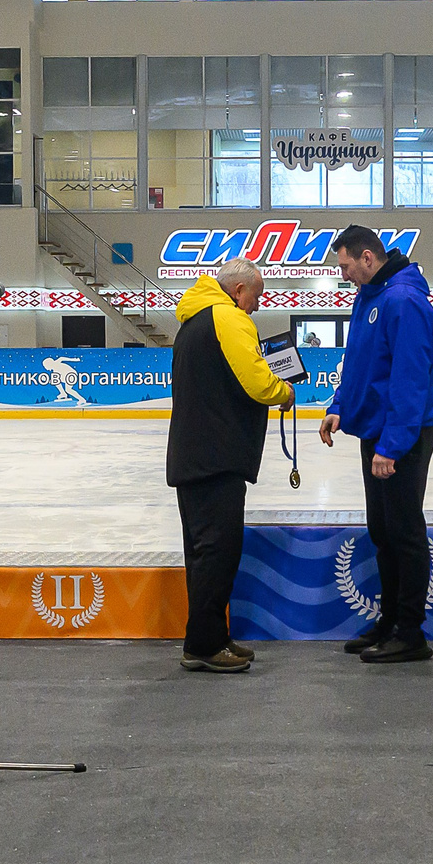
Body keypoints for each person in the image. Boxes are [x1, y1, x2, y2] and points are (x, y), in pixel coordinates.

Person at [166, 260, 294, 674]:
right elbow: (256, 381)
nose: (257, 306)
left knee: (203, 553)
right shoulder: (229, 318)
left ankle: (211, 638)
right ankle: (204, 645)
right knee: (217, 554)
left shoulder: (195, 319)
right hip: (217, 458)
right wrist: (284, 391)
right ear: (239, 291)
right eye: (256, 296)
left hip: (194, 455)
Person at [319, 224, 433, 665]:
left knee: (404, 533)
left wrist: (392, 446)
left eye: (346, 266)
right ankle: (389, 622)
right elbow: (358, 363)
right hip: (376, 431)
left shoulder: (404, 301)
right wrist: (339, 406)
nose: (344, 275)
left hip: (399, 436)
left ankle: (410, 632)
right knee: (383, 531)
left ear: (367, 257)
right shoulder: (369, 297)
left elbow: (410, 379)